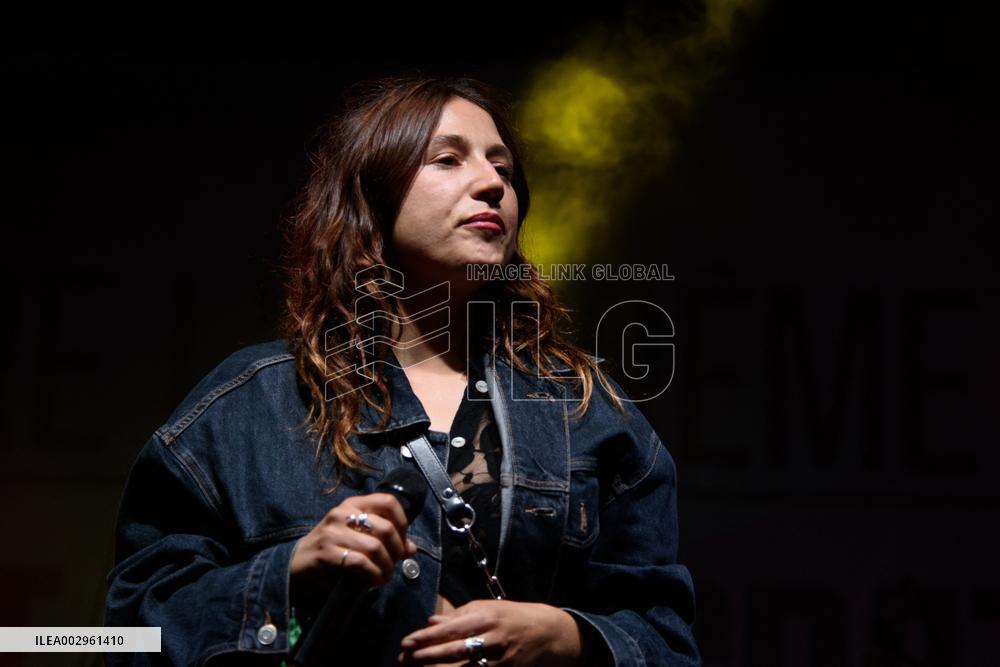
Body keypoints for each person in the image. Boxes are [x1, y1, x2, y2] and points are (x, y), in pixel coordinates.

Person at [103, 73, 701, 666]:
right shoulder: (250, 406)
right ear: (372, 196)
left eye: (503, 168)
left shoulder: (587, 410)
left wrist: (566, 639)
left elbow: (668, 643)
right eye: (447, 159)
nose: (492, 183)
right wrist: (289, 574)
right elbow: (127, 636)